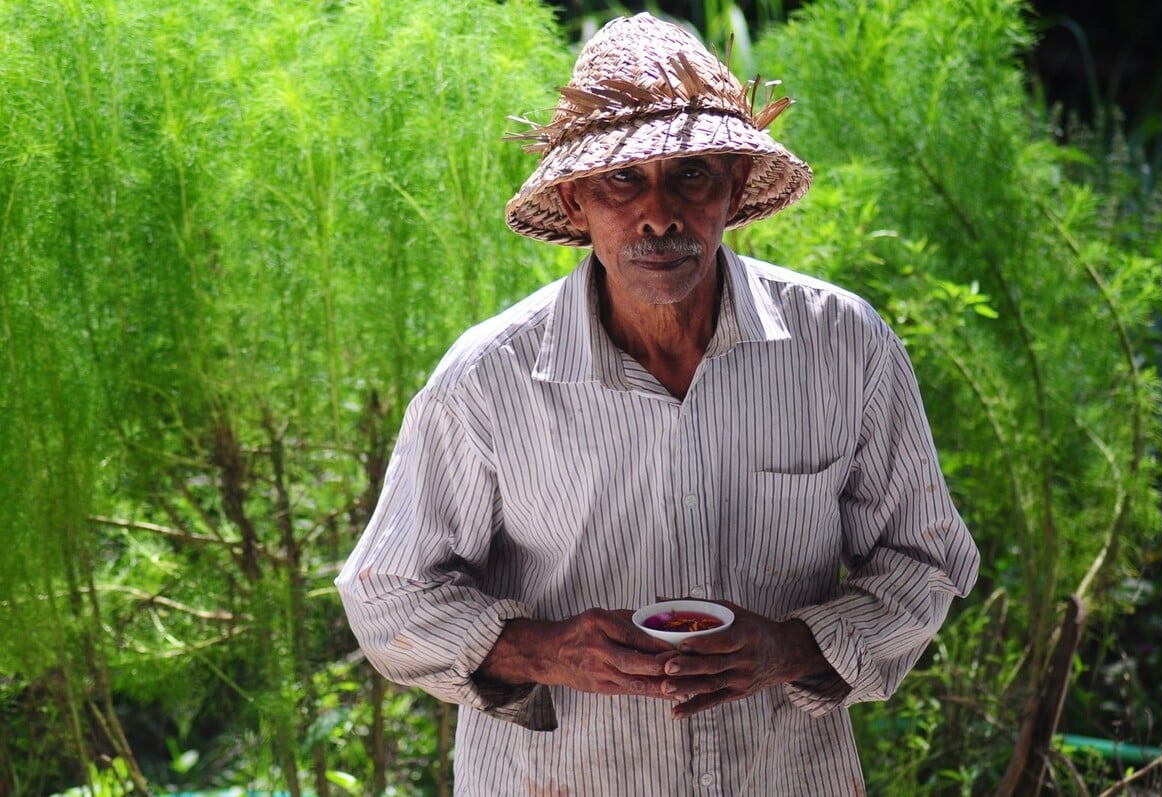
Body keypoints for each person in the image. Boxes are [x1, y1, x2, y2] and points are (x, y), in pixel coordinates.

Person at [336, 12, 979, 795]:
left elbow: (924, 558)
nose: (660, 214)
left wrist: (790, 646)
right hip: (559, 778)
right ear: (575, 202)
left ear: (735, 187)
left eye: (692, 175)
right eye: (622, 180)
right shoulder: (490, 379)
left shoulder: (842, 345)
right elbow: (388, 594)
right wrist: (541, 650)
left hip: (779, 775)